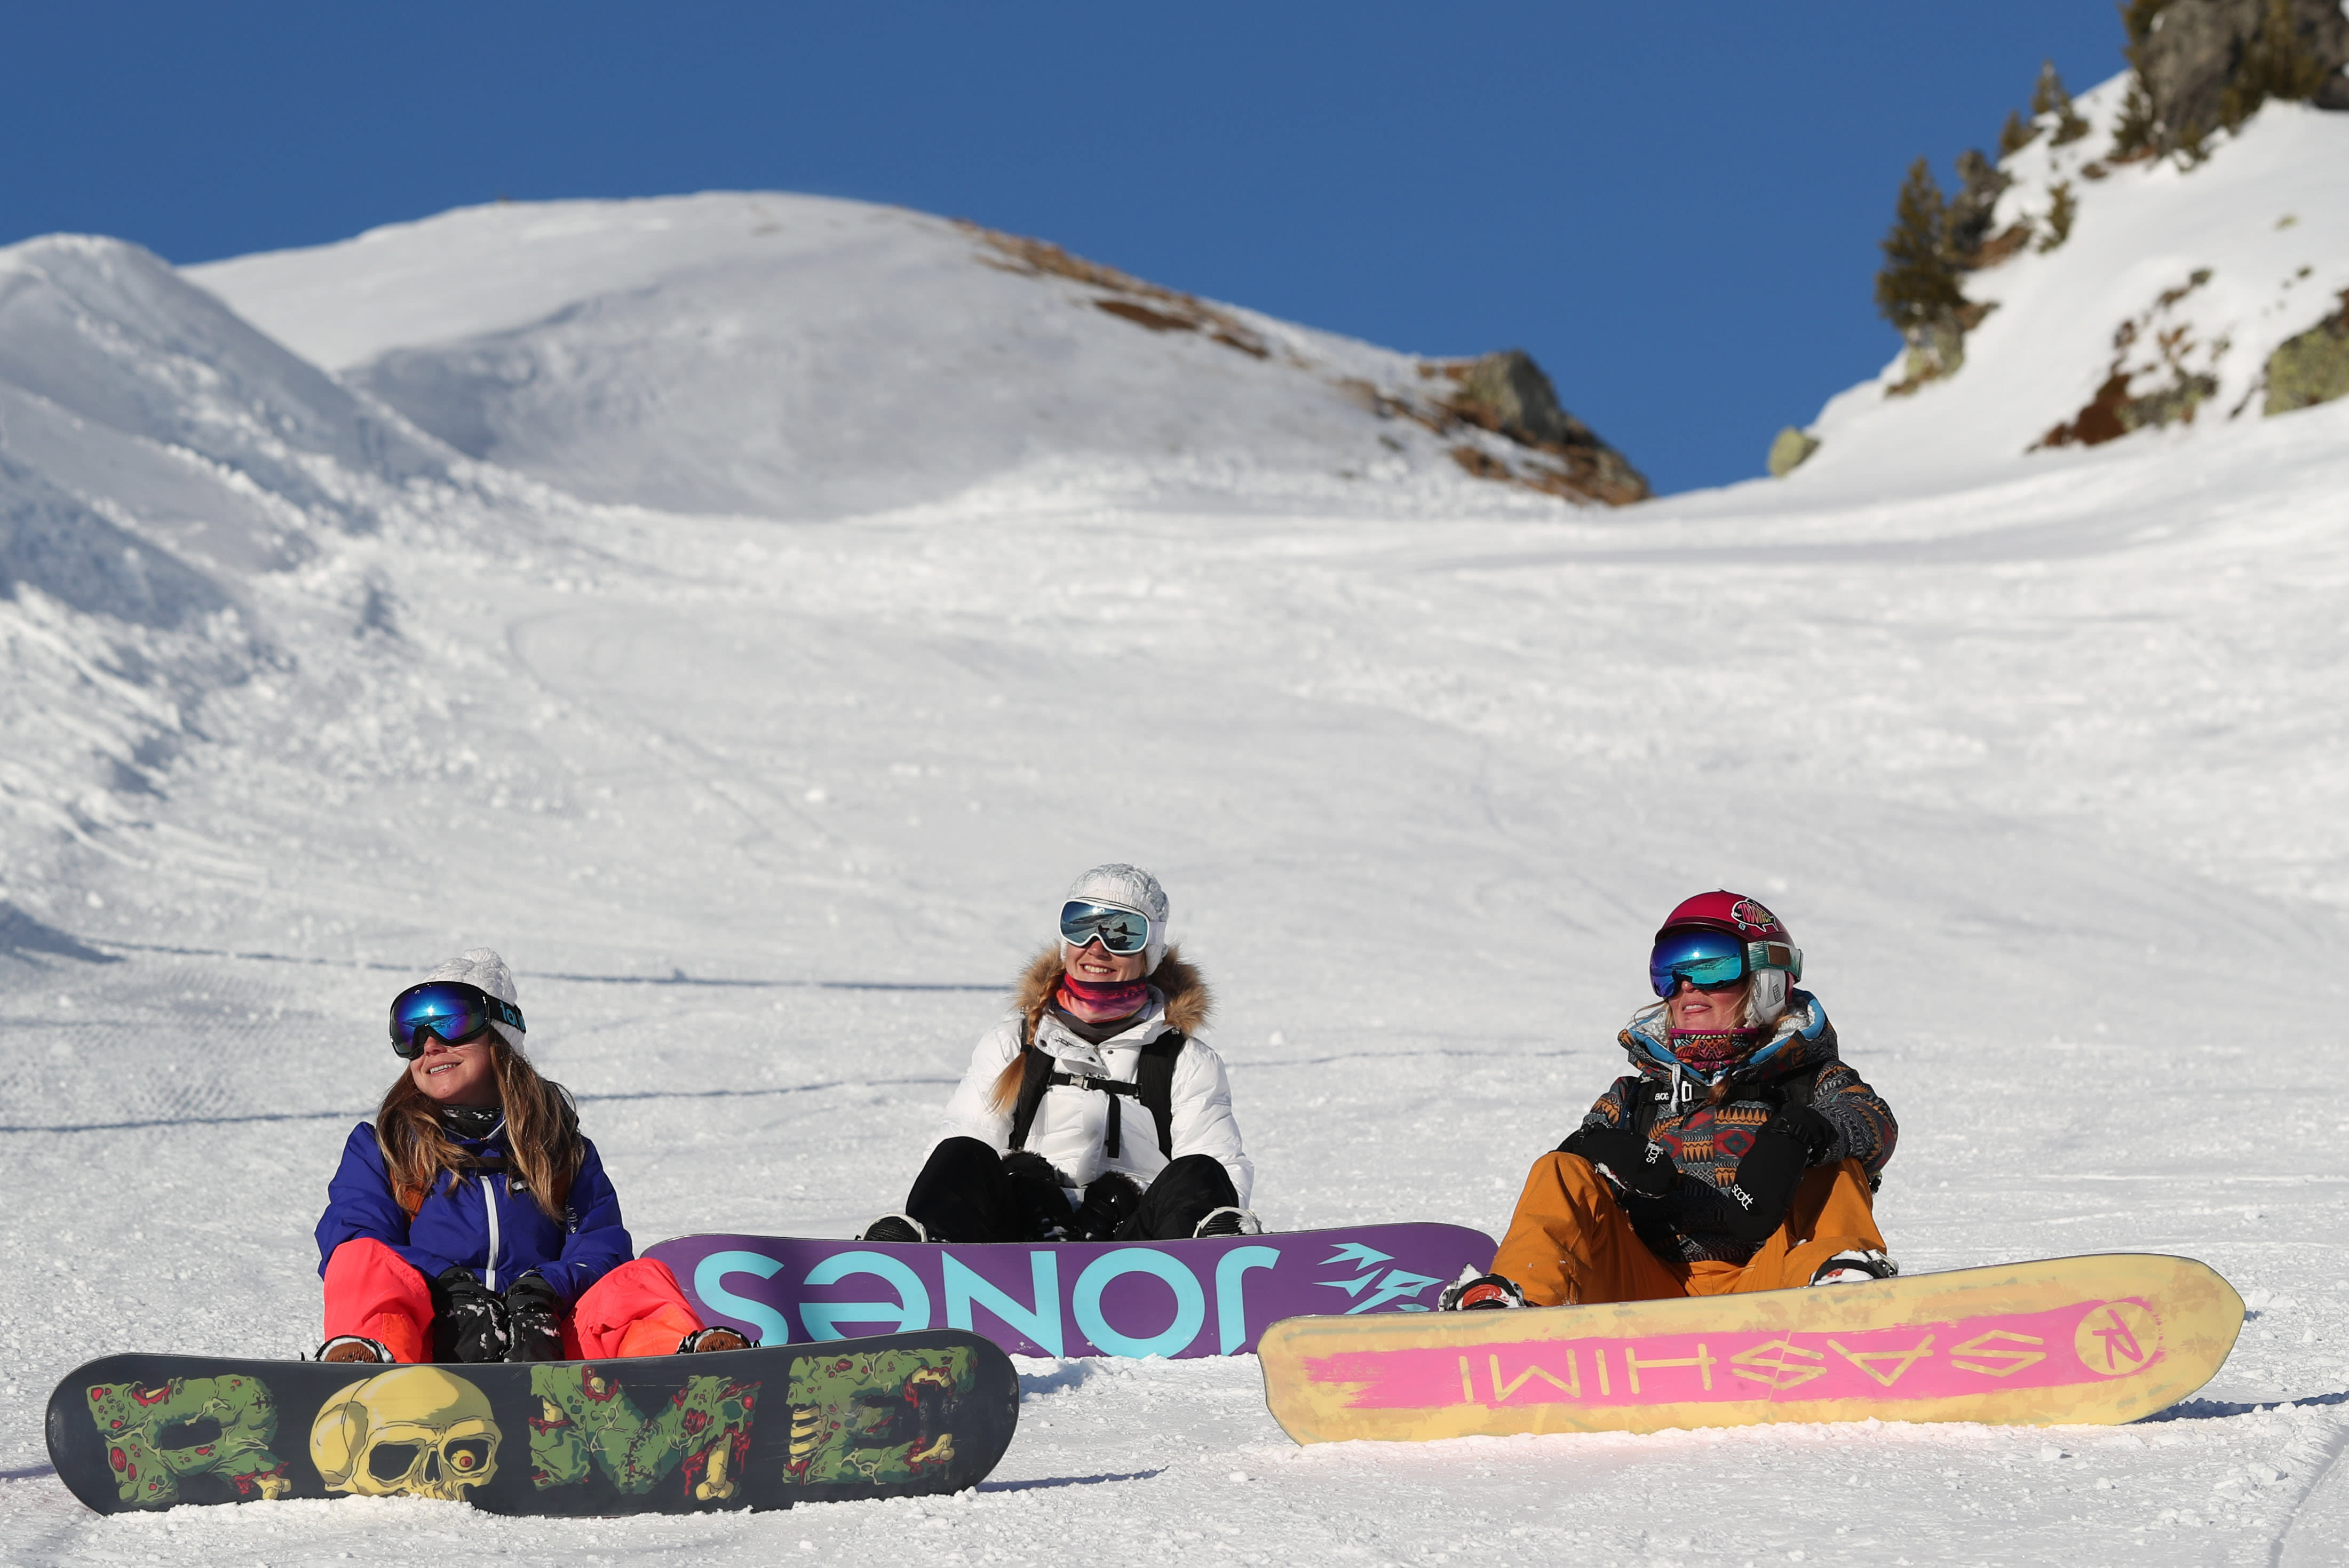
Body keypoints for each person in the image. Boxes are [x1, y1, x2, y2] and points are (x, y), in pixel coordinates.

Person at [1443, 892, 1896, 1310]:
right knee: (1560, 1169)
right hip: (1647, 1291)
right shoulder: (1635, 1096)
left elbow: (1873, 1122)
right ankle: (1511, 1311)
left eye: (1711, 967)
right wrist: (1596, 1148)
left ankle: (1844, 1294)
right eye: (1669, 971)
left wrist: (1800, 1135)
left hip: (1778, 1282)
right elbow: (1572, 1179)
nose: (1687, 987)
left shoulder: (1811, 1080)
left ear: (1767, 982)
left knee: (1833, 1161)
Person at [314, 948, 750, 1364]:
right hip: (425, 1348)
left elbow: (602, 1249)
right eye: (411, 1031)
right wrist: (448, 1287)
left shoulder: (561, 1149)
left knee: (637, 1278)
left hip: (548, 1349)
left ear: (501, 1033)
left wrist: (543, 1291)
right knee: (358, 1260)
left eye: (451, 1022)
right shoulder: (385, 1148)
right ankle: (366, 1370)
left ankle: (680, 1371)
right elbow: (357, 1238)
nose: (429, 1045)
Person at [862, 864, 1258, 1245]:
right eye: (1081, 926)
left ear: (1150, 951)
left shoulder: (1184, 1060)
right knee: (961, 1153)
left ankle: (1212, 1252)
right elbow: (964, 1144)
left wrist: (1127, 1196)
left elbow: (1220, 1169)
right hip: (1017, 1243)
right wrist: (1024, 1183)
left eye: (1123, 933)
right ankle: (925, 1252)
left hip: (1136, 1249)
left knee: (1202, 1170)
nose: (1097, 948)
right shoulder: (1014, 1043)